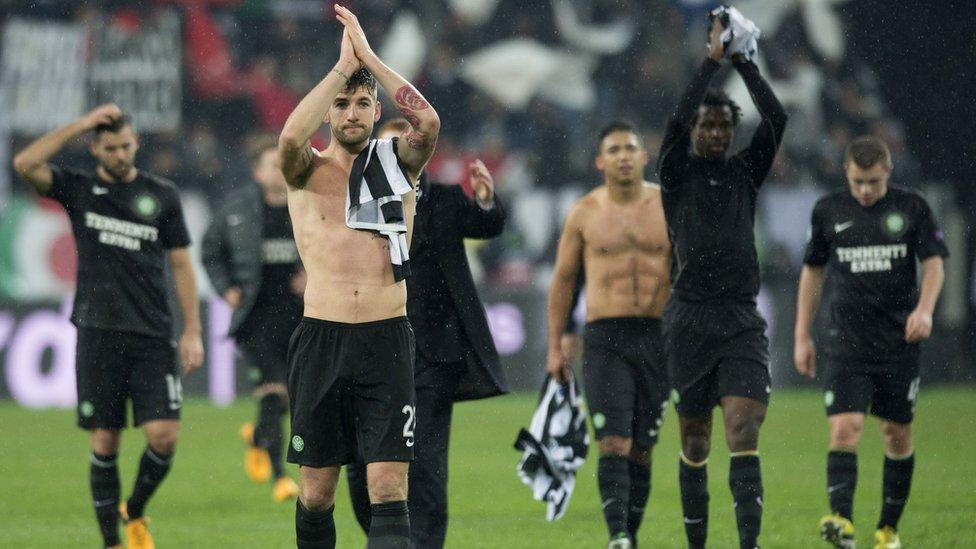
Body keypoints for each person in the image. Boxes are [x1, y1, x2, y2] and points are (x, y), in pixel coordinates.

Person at [277, 6, 439, 548]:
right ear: (330, 112)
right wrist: (340, 72)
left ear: (375, 112)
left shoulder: (399, 164)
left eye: (362, 103)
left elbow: (429, 123)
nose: (351, 113)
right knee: (316, 492)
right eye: (342, 105)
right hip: (321, 339)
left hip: (386, 340)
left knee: (389, 487)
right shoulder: (305, 170)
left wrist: (369, 60)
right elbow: (287, 139)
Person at [12, 104, 204, 549]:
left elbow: (181, 264)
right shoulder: (79, 187)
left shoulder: (162, 194)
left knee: (164, 437)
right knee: (105, 440)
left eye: (126, 146)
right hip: (98, 333)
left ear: (136, 143)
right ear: (95, 148)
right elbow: (25, 164)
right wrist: (79, 123)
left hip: (154, 334)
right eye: (111, 148)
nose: (121, 155)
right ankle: (112, 542)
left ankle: (134, 508)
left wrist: (192, 329)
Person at [345, 118, 509, 548]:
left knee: (427, 467)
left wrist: (488, 201)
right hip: (371, 350)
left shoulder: (446, 199)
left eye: (409, 138)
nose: (401, 146)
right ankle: (389, 539)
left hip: (433, 354)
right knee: (360, 462)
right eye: (391, 139)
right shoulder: (354, 202)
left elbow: (488, 226)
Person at [656, 15, 787, 549]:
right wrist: (710, 62)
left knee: (743, 430)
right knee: (694, 439)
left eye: (722, 127)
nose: (713, 132)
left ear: (731, 133)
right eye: (705, 126)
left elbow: (776, 118)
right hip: (687, 317)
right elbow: (674, 122)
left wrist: (744, 64)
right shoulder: (675, 173)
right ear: (696, 132)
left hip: (738, 318)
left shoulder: (744, 173)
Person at [794, 136, 947, 549]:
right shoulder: (828, 211)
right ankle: (842, 522)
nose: (865, 191)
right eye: (859, 181)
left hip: (898, 340)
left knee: (896, 434)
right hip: (844, 341)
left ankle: (887, 530)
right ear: (846, 172)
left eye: (874, 182)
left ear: (888, 173)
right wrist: (801, 335)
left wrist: (926, 310)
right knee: (846, 427)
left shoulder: (912, 207)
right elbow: (813, 273)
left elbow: (933, 264)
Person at [547, 122, 671, 549]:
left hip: (659, 335)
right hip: (605, 338)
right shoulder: (584, 211)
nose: (622, 155)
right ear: (600, 161)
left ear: (643, 156)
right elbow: (564, 281)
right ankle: (617, 536)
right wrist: (558, 341)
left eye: (630, 148)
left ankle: (629, 535)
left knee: (642, 448)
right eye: (614, 149)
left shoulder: (667, 205)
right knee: (613, 441)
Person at [201, 138, 303, 502]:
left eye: (284, 163)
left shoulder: (306, 204)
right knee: (274, 393)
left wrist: (312, 275)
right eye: (273, 164)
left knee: (291, 397)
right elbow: (211, 251)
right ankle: (280, 478)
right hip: (256, 318)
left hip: (300, 317)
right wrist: (226, 288)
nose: (280, 170)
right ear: (258, 172)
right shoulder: (237, 209)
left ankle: (258, 437)